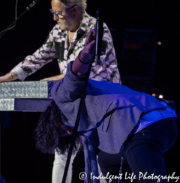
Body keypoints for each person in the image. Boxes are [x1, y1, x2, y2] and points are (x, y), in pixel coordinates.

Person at [0, 0, 121, 182]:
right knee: (62, 154)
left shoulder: (97, 29)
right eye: (53, 13)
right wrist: (10, 76)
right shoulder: (58, 31)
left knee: (98, 161)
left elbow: (93, 72)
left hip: (101, 102)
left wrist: (54, 78)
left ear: (74, 10)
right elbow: (39, 56)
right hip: (71, 101)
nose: (54, 18)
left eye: (58, 13)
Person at [35, 29, 178, 183]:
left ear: (52, 120)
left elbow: (75, 74)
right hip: (161, 122)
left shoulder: (62, 96)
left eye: (61, 130)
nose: (68, 132)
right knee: (107, 160)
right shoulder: (88, 125)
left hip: (144, 126)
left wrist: (84, 54)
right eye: (65, 136)